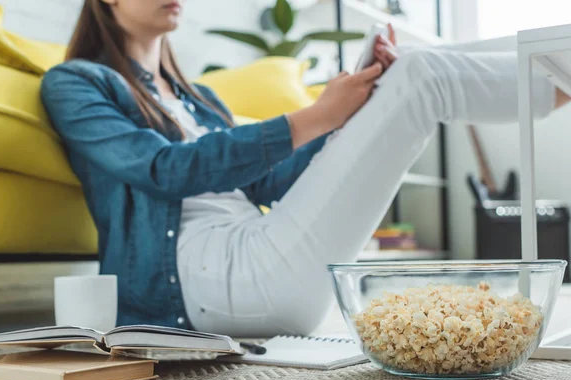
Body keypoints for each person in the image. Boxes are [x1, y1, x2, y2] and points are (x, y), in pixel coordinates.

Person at [41, 0, 570, 337]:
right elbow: (164, 169)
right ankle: (559, 76)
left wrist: (350, 112)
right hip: (201, 282)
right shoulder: (76, 83)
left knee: (406, 74)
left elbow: (271, 182)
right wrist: (317, 115)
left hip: (259, 251)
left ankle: (556, 64)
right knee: (422, 74)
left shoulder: (197, 97)